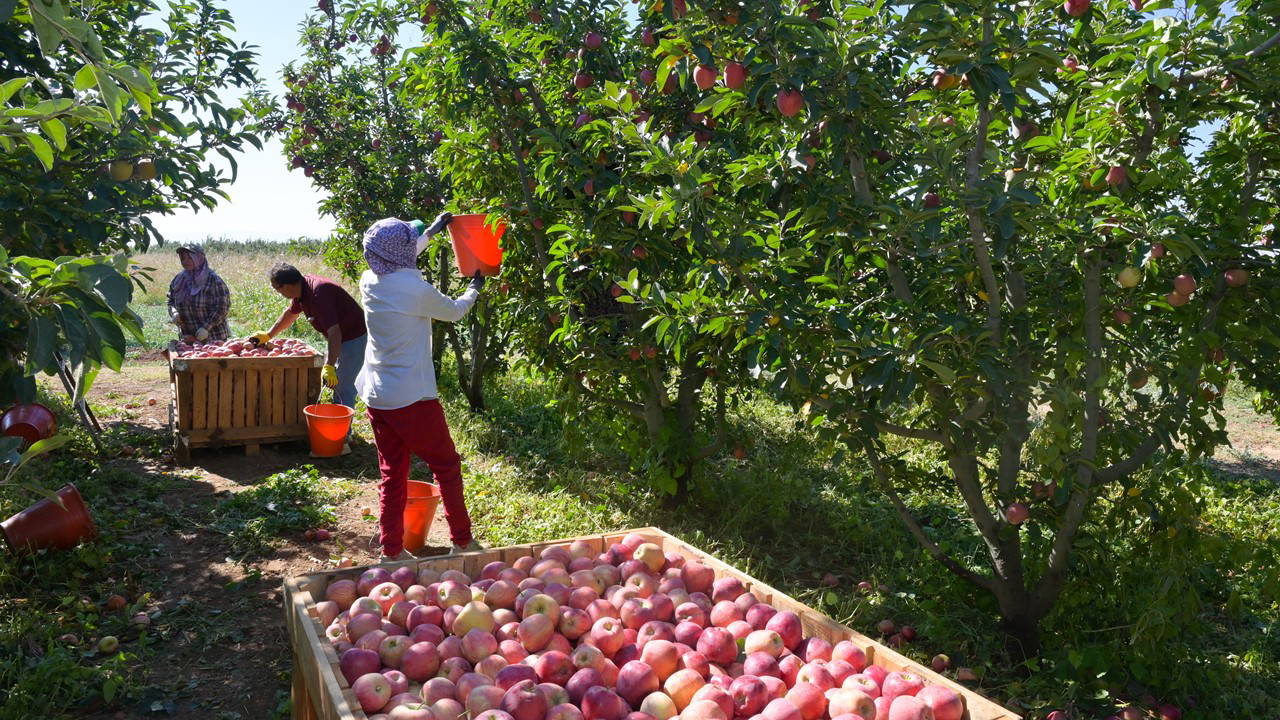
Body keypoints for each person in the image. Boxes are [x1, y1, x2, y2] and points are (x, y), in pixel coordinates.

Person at [357, 214, 485, 559]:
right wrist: (474, 288)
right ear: (403, 251)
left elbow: (399, 253)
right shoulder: (414, 290)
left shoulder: (369, 279)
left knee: (392, 474)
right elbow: (455, 311)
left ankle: (391, 552)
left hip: (378, 395)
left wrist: (430, 232)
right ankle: (462, 541)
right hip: (411, 397)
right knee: (446, 465)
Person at [253, 265, 367, 434]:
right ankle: (337, 426)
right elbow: (291, 313)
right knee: (337, 382)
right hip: (339, 338)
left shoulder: (319, 294)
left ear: (289, 286)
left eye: (278, 289)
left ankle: (342, 436)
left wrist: (329, 365)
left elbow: (335, 331)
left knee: (344, 385)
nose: (278, 293)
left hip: (354, 337)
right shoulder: (302, 290)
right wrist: (269, 335)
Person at [167, 244, 231, 344]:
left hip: (214, 337)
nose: (185, 261)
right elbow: (171, 301)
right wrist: (174, 313)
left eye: (190, 258)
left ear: (199, 258)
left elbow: (222, 307)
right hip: (189, 337)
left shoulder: (213, 280)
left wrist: (206, 327)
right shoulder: (179, 279)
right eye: (183, 258)